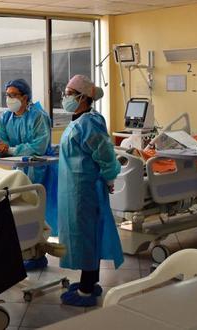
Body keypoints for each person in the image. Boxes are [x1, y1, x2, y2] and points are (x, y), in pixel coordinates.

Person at [57, 75, 123, 307]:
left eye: (68, 93)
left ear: (82, 97)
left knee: (85, 235)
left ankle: (86, 289)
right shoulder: (78, 120)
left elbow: (104, 154)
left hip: (83, 188)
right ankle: (90, 280)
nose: (64, 97)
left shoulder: (90, 122)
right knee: (83, 233)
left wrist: (108, 176)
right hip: (75, 187)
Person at [0, 78, 58, 233]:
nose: (9, 99)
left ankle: (40, 245)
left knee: (41, 209)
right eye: (7, 95)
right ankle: (26, 243)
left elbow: (39, 147)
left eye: (14, 95)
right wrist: (3, 148)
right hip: (19, 169)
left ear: (25, 97)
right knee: (22, 208)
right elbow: (0, 142)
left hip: (41, 169)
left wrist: (11, 150)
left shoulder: (38, 116)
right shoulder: (5, 117)